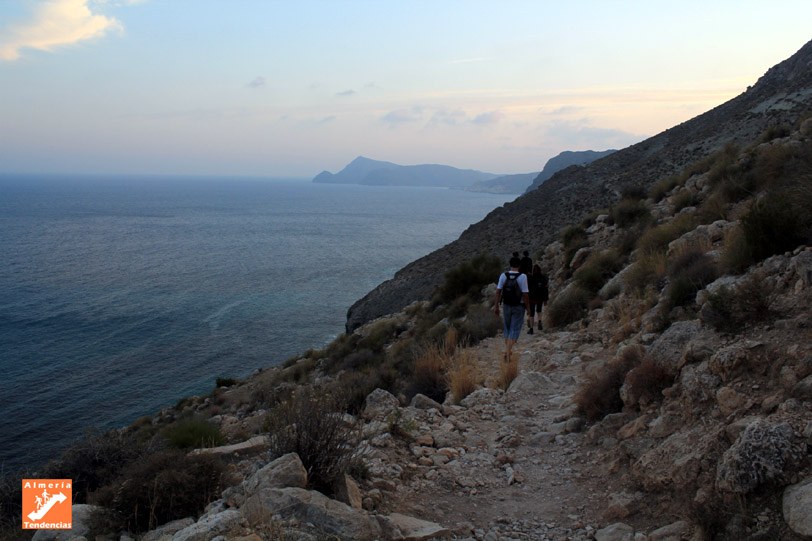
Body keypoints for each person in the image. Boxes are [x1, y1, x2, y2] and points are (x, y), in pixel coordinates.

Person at [493, 256, 531, 361]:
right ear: (519, 266)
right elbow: (525, 294)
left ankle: (508, 350)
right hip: (519, 306)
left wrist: (496, 306)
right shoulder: (522, 277)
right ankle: (508, 352)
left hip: (506, 305)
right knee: (515, 329)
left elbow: (498, 292)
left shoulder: (503, 275)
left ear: (510, 265)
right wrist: (528, 308)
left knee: (507, 328)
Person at [527, 264, 549, 333]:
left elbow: (527, 288)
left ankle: (531, 328)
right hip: (540, 297)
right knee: (539, 310)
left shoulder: (530, 278)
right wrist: (545, 299)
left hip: (532, 297)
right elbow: (545, 289)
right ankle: (539, 321)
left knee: (532, 312)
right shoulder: (543, 277)